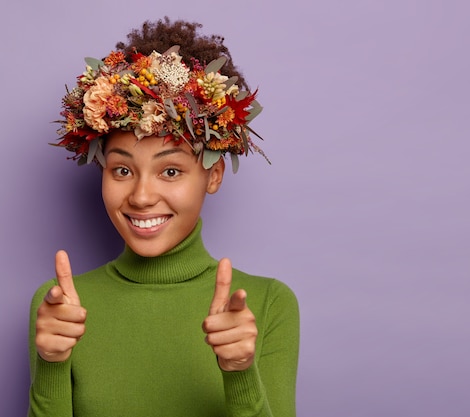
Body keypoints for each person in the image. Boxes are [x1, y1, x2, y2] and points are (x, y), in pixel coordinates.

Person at [27, 17, 299, 417]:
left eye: (170, 171)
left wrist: (241, 373)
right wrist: (52, 365)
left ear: (214, 175)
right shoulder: (61, 307)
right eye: (121, 170)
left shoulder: (269, 304)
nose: (140, 196)